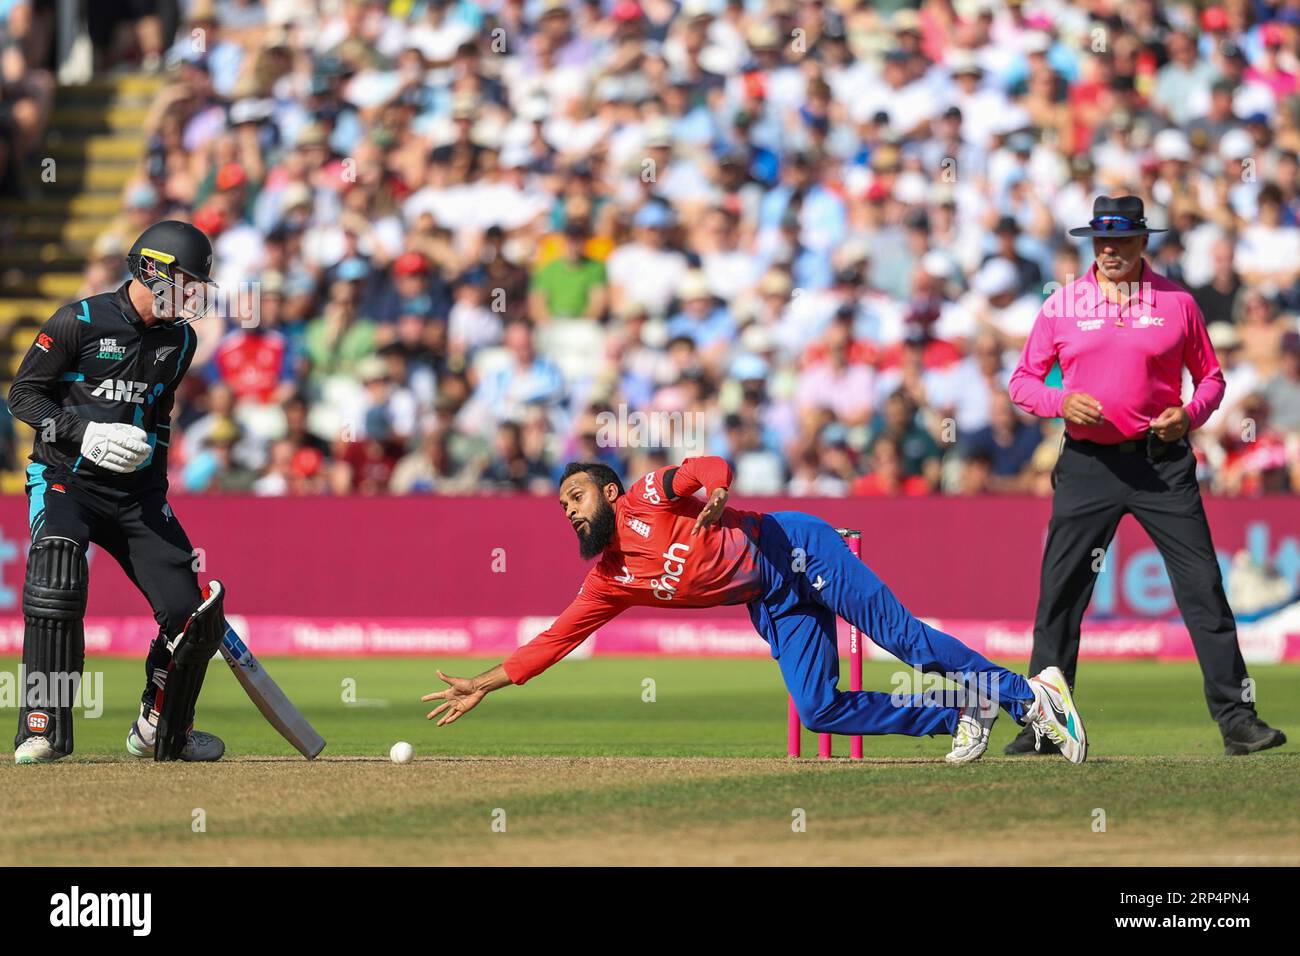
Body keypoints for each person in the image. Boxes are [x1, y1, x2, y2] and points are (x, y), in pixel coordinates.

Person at [421, 456, 1088, 764]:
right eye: (562, 506)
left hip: (795, 547)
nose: (569, 511)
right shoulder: (610, 580)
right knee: (820, 709)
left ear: (609, 491)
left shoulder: (647, 496)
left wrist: (712, 493)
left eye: (575, 497)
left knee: (907, 643)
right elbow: (553, 640)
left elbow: (706, 464)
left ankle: (1028, 698)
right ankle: (955, 717)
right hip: (770, 599)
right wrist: (483, 683)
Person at [1007, 195, 1287, 757]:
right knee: (1060, 595)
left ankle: (1238, 720)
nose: (1110, 251)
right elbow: (1021, 382)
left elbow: (1211, 380)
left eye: (1123, 241)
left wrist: (1189, 415)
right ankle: (1043, 725)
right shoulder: (1063, 304)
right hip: (1089, 464)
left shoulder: (1178, 303)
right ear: (1092, 244)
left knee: (1203, 587)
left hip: (1162, 464)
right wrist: (1060, 402)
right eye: (1101, 241)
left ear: (1143, 243)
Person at [8, 220, 234, 763]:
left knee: (190, 614)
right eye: (184, 282)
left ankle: (160, 728)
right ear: (150, 269)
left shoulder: (181, 340)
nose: (191, 296)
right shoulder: (78, 321)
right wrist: (84, 431)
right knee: (56, 579)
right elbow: (23, 397)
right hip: (67, 481)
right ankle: (42, 727)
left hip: (136, 496)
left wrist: (154, 486)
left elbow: (159, 417)